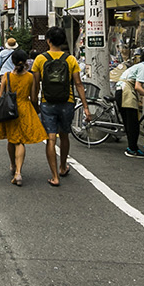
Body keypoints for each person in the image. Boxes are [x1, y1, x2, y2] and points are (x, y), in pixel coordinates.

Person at [30, 26, 90, 186]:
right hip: (67, 102)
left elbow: (35, 85)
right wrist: (85, 107)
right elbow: (78, 83)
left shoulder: (40, 59)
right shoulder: (70, 59)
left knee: (51, 138)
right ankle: (63, 167)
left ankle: (55, 176)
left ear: (48, 41)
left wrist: (34, 103)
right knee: (64, 135)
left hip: (47, 102)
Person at [0, 49, 45, 186]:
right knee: (20, 141)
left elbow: (0, 96)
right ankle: (18, 171)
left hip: (10, 110)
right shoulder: (30, 77)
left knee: (12, 139)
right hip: (24, 108)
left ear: (12, 61)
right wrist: (37, 109)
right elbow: (34, 98)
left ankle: (13, 166)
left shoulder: (7, 76)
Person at [117, 49, 144, 158]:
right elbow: (138, 87)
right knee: (133, 123)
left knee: (129, 123)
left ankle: (131, 147)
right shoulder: (143, 67)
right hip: (126, 92)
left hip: (121, 91)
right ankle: (132, 149)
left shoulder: (139, 66)